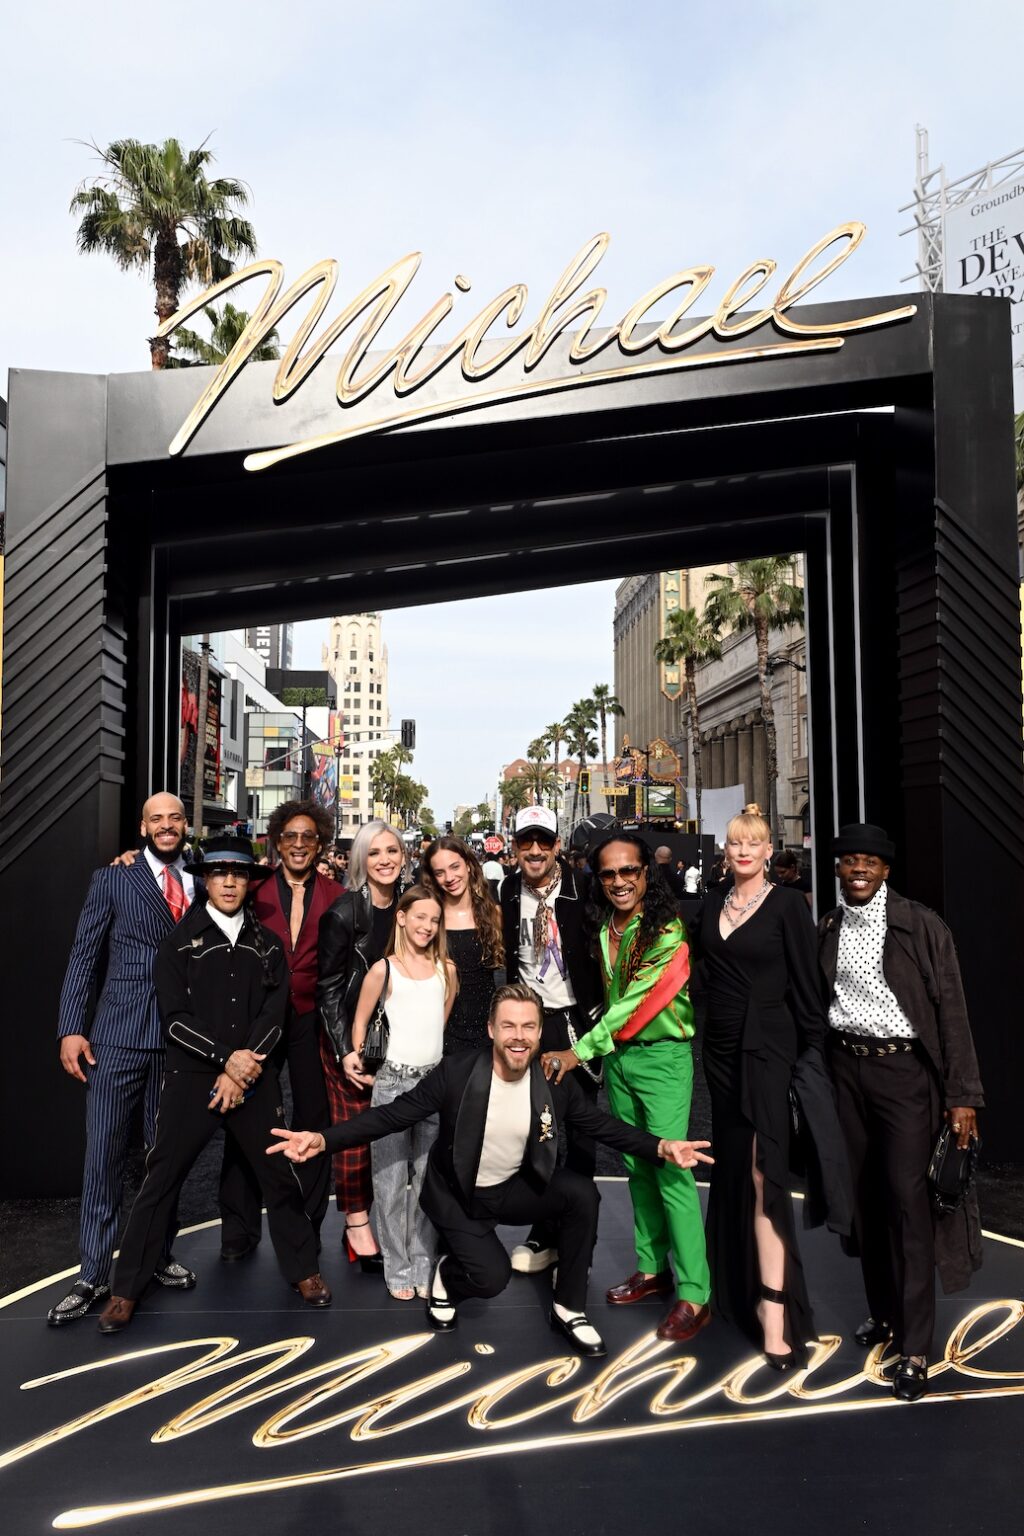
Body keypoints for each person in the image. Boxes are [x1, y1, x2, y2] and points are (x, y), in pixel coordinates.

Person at [270, 983, 712, 1356]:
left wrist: (661, 1146)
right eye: (509, 1026)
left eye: (529, 1027)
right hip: (457, 1196)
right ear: (491, 1030)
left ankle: (569, 1307)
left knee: (581, 1194)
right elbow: (393, 1115)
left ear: (540, 1032)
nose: (519, 1037)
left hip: (511, 1187)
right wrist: (323, 1140)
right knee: (491, 1278)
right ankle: (446, 1276)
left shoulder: (553, 1081)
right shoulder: (457, 1073)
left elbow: (600, 1126)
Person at [96, 835, 329, 1332]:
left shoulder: (268, 945)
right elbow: (174, 1019)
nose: (228, 882)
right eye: (219, 873)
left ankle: (304, 1270)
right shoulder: (178, 943)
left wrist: (243, 1067)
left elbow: (275, 1016)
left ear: (249, 883)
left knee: (279, 1176)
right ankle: (125, 1289)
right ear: (204, 880)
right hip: (193, 1077)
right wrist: (226, 1061)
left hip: (255, 1076)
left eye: (238, 874)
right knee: (161, 1180)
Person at [818, 823, 984, 1403]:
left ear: (885, 870)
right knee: (865, 1201)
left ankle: (915, 1346)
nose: (859, 869)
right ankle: (885, 1312)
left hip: (905, 1076)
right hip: (846, 1071)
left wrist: (963, 1096)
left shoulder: (921, 926)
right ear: (838, 868)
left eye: (870, 861)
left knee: (909, 1204)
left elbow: (953, 1012)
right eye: (849, 860)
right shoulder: (830, 926)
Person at [691, 804, 848, 1369]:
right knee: (734, 1170)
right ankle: (731, 1287)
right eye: (735, 843)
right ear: (726, 851)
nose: (742, 851)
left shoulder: (786, 906)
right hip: (720, 1053)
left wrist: (813, 1060)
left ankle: (774, 1311)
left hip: (769, 1052)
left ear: (767, 851)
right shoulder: (711, 903)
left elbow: (808, 988)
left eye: (752, 843)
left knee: (765, 1176)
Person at [540, 832, 712, 1343]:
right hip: (619, 1060)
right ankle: (652, 1268)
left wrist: (577, 1052)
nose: (619, 881)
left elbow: (635, 1004)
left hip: (662, 1059)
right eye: (608, 873)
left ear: (645, 873)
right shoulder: (605, 926)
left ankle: (695, 1293)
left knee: (672, 1169)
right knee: (637, 1166)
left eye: (629, 871)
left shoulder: (667, 930)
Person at [48, 793, 198, 1327]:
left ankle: (158, 1255)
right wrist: (71, 1027)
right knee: (104, 1156)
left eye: (174, 818)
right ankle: (92, 1274)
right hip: (119, 1035)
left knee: (166, 1157)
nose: (166, 825)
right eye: (156, 819)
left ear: (186, 825)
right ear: (142, 827)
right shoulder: (112, 879)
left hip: (181, 1040)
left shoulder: (205, 880)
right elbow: (83, 957)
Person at [218, 800, 336, 1261]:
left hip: (309, 1019)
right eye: (290, 836)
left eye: (308, 837)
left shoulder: (337, 895)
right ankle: (239, 1229)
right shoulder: (255, 888)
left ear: (320, 843)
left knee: (313, 1118)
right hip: (258, 1019)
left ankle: (308, 1225)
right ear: (277, 842)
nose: (299, 844)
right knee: (246, 1118)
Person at [499, 805, 605, 1274]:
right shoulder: (506, 890)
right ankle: (545, 1230)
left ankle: (577, 1233)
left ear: (558, 845)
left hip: (578, 1020)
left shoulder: (586, 889)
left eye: (544, 840)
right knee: (536, 1128)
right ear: (515, 846)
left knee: (581, 1129)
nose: (536, 850)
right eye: (527, 841)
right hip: (530, 1023)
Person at [350, 886, 458, 1298]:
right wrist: (364, 1061)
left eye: (434, 920)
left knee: (428, 1182)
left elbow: (439, 1023)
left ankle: (423, 1263)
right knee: (391, 1182)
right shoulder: (383, 969)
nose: (427, 926)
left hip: (433, 1086)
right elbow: (360, 1022)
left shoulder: (446, 971)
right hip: (392, 1085)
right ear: (401, 917)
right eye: (420, 917)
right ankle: (397, 1268)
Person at [317, 820, 408, 1268]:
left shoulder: (411, 905)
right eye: (374, 853)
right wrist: (344, 1050)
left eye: (392, 850)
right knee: (355, 1133)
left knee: (394, 1131)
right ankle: (356, 1225)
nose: (384, 860)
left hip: (398, 1038)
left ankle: (383, 1215)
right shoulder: (344, 913)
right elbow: (329, 987)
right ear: (359, 860)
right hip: (353, 1039)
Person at [422, 835, 504, 1056]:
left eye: (455, 867)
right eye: (440, 872)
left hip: (487, 1032)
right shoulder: (430, 917)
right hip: (441, 1032)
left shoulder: (493, 914)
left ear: (468, 865)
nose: (449, 878)